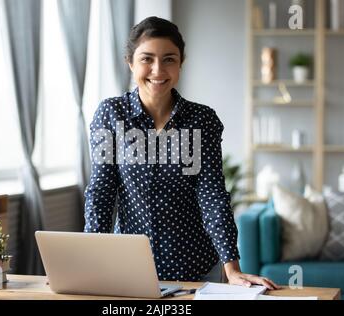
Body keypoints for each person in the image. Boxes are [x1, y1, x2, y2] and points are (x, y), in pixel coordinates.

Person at [84, 16, 278, 290]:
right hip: (128, 268)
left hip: (197, 270)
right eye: (146, 59)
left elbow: (212, 194)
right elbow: (102, 191)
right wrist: (89, 262)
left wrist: (232, 268)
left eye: (169, 59)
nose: (157, 69)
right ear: (130, 62)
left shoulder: (202, 120)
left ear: (181, 63)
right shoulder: (111, 114)